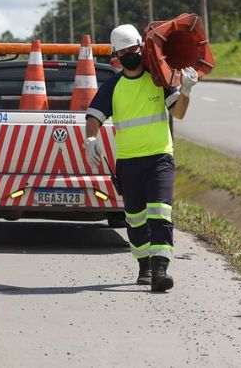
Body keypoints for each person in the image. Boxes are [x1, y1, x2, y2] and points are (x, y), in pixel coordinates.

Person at [83, 24, 198, 292]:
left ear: (141, 48)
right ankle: (144, 264)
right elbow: (93, 117)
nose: (128, 55)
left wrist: (187, 91)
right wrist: (91, 139)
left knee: (160, 213)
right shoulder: (113, 86)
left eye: (132, 49)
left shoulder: (159, 79)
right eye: (122, 52)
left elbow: (178, 113)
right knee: (135, 218)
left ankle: (160, 269)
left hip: (159, 158)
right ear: (116, 55)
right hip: (128, 162)